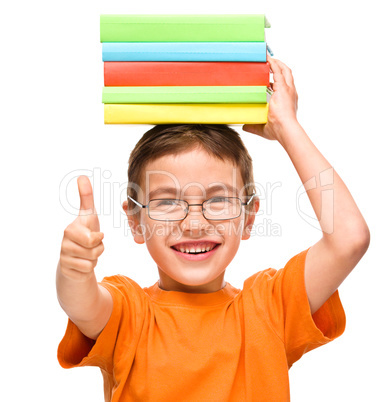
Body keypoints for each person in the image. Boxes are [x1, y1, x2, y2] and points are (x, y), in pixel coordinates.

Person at [56, 58, 370, 401]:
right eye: (166, 202)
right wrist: (73, 269)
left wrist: (287, 127)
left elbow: (349, 238)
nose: (194, 223)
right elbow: (82, 302)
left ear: (248, 217)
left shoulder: (270, 308)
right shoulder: (128, 312)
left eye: (217, 200)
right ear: (135, 221)